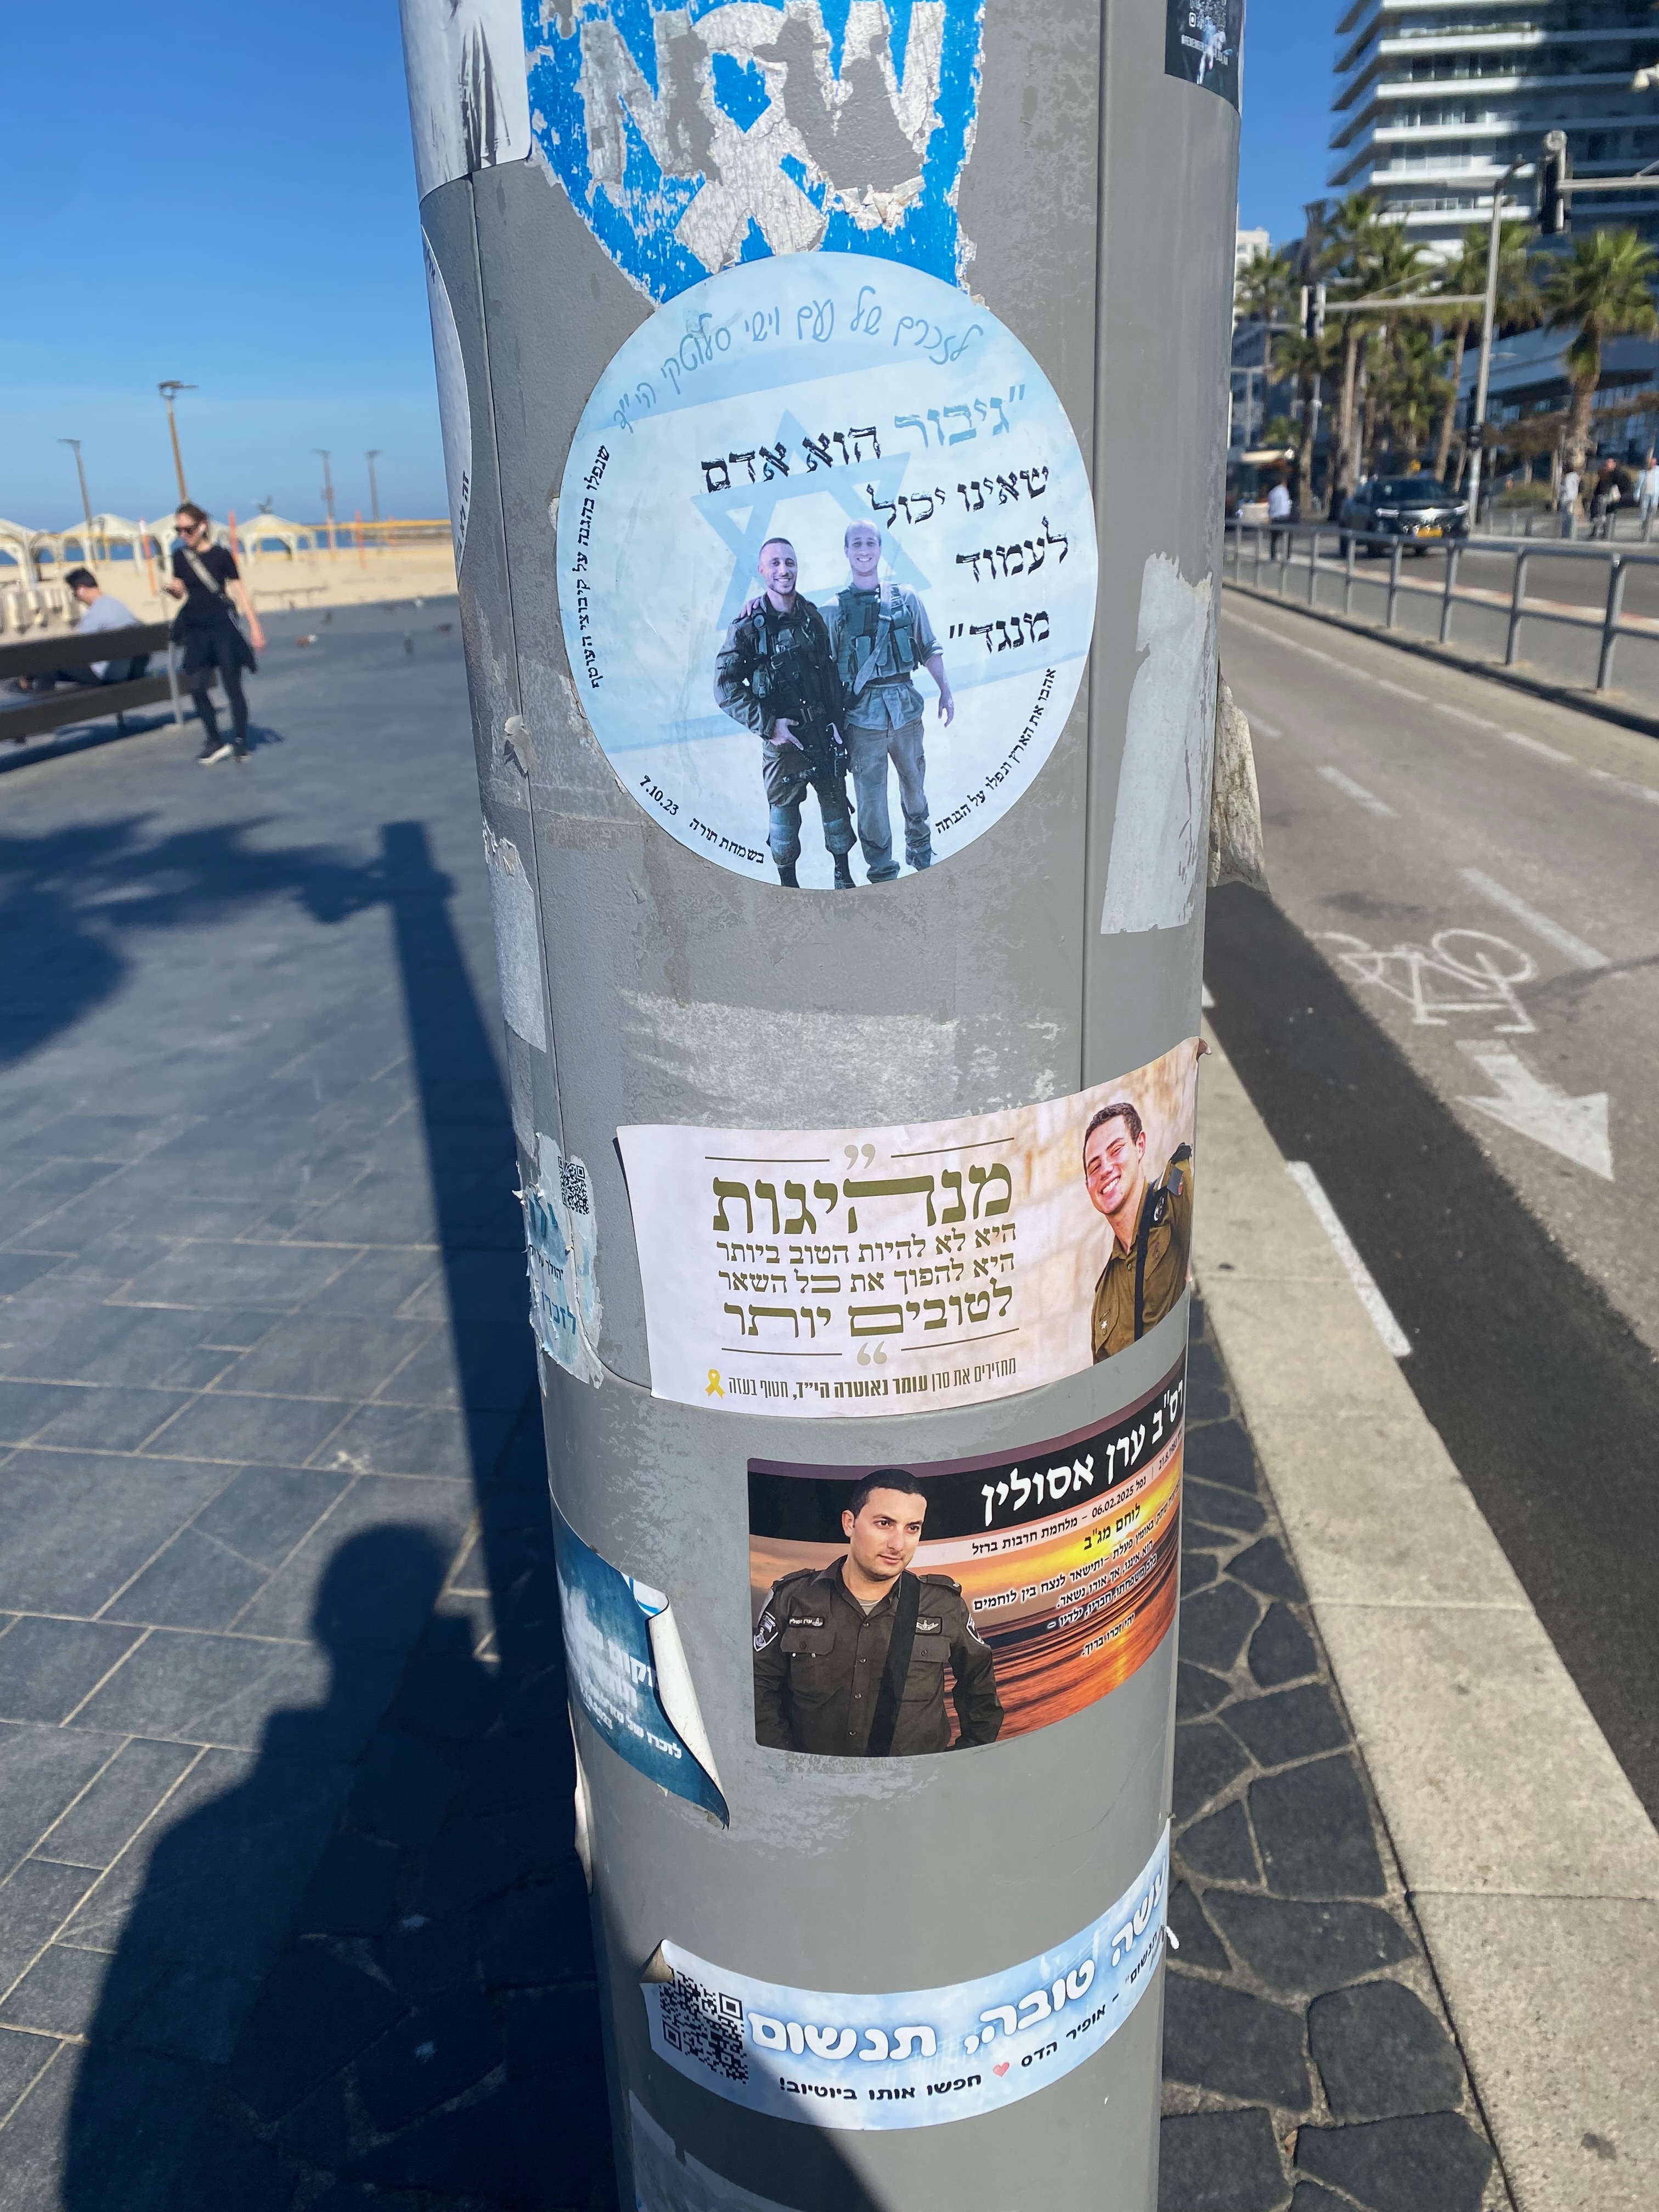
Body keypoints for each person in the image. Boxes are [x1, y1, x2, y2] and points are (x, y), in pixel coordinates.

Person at [752, 1470, 1002, 1757]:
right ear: (850, 1523)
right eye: (885, 1523)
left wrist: (963, 1763)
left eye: (913, 1528)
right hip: (814, 1785)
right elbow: (759, 1690)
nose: (898, 1544)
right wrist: (787, 1766)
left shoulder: (942, 1604)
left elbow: (980, 1691)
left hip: (916, 1788)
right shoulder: (794, 1599)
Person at [715, 537, 856, 888]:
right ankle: (787, 885)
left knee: (836, 808)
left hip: (821, 733)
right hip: (782, 742)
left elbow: (828, 676)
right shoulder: (748, 625)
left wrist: (838, 727)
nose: (784, 570)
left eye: (790, 563)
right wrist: (769, 726)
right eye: (775, 563)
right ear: (762, 570)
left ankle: (843, 875)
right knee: (783, 819)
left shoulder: (811, 617)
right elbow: (724, 687)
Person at [829, 521, 953, 881]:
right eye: (857, 544)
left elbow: (929, 647)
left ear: (880, 548)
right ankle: (882, 872)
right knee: (870, 805)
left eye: (870, 542)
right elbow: (826, 673)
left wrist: (945, 689)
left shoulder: (907, 598)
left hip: (906, 713)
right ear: (847, 551)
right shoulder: (834, 610)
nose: (864, 549)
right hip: (862, 721)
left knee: (915, 786)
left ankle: (921, 851)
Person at [1084, 1098, 1195, 1362]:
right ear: (1087, 1185)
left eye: (1116, 1150)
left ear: (1140, 1146)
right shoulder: (1104, 1295)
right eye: (1095, 1166)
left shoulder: (1172, 1199)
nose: (1106, 1170)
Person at [161, 501, 266, 763]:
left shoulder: (221, 556)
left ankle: (241, 740)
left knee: (232, 688)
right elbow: (183, 591)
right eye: (179, 530)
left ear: (203, 526)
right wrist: (174, 591)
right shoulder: (179, 557)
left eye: (189, 529)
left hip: (222, 628)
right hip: (196, 629)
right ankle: (215, 740)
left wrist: (255, 627)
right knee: (197, 687)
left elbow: (240, 591)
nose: (184, 535)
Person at [11, 569, 149, 693]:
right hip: (128, 671)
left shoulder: (95, 614)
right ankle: (30, 685)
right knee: (52, 663)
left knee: (47, 664)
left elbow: (79, 651)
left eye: (74, 592)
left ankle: (39, 705)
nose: (75, 597)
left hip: (105, 674)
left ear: (81, 589)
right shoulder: (116, 604)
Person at [1266, 475, 1292, 559]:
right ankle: (1287, 555)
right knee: (1288, 537)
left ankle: (1273, 556)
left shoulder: (1272, 492)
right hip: (1284, 517)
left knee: (1274, 539)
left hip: (1275, 517)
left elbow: (1270, 505)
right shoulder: (1284, 491)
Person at [1638, 452, 1659, 537]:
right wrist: (1638, 494)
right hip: (1645, 492)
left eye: (1654, 463)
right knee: (1644, 507)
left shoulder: (1658, 471)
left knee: (1653, 506)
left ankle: (1650, 521)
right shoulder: (1643, 473)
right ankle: (1644, 522)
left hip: (1655, 493)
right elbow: (1639, 484)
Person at [1558, 466, 1581, 541]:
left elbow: (1567, 488)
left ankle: (1565, 534)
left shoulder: (1568, 478)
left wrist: (1560, 488)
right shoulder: (1576, 477)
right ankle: (1570, 533)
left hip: (1566, 499)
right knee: (1571, 517)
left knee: (1566, 517)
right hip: (1573, 498)